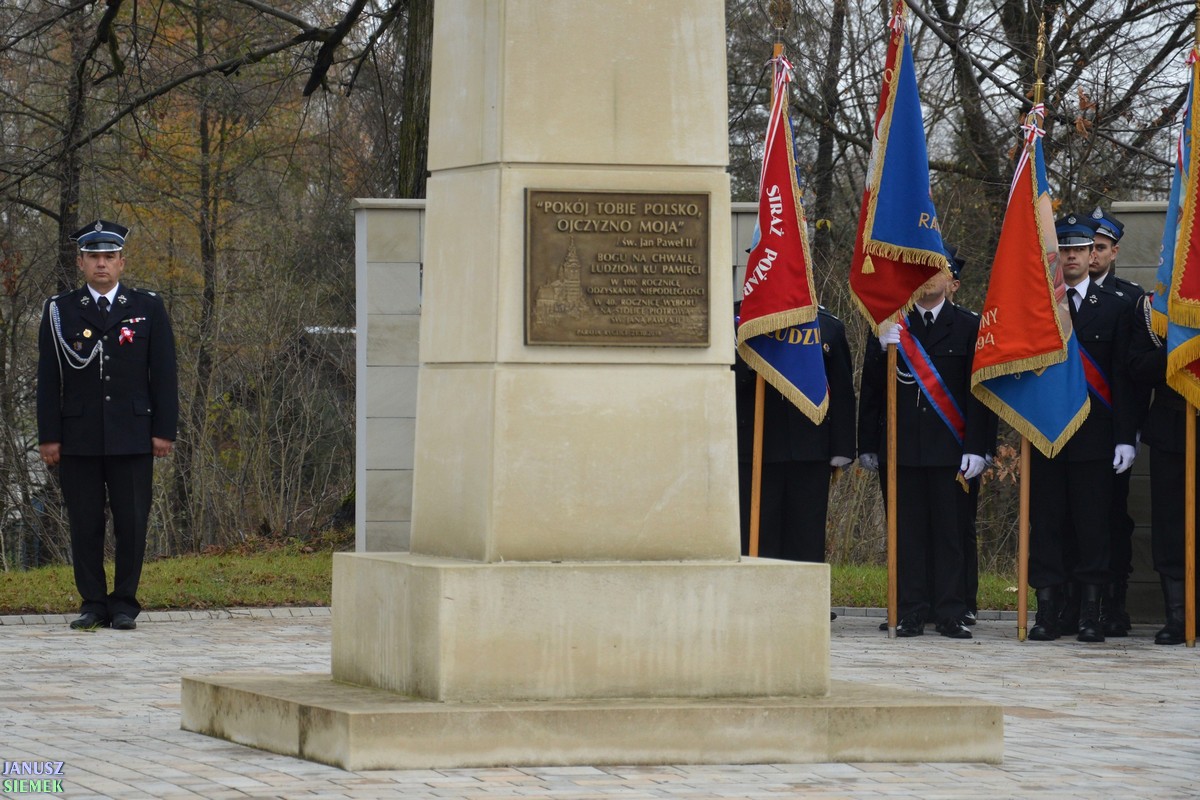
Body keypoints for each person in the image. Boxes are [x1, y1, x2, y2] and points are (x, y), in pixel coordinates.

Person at [37, 220, 179, 631]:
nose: (102, 264)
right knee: (85, 523)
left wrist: (164, 430)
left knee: (132, 522)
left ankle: (124, 604)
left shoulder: (147, 307)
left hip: (133, 434)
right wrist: (49, 435)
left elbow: (164, 373)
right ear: (80, 262)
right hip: (78, 435)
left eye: (109, 257)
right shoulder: (60, 311)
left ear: (122, 263)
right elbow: (48, 378)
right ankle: (93, 604)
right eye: (94, 257)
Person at [857, 267, 990, 639]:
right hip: (902, 449)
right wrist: (867, 444)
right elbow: (871, 391)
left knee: (951, 533)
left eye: (938, 270)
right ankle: (910, 610)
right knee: (907, 534)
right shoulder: (891, 325)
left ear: (952, 282)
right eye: (923, 269)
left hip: (951, 450)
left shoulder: (968, 326)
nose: (929, 277)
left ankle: (950, 612)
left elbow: (980, 393)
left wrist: (978, 446)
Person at [1026, 215, 1136, 643]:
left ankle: (1091, 612)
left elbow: (1122, 378)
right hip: (1047, 433)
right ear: (1056, 256)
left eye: (1080, 249)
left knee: (1093, 526)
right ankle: (1048, 611)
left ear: (1093, 255)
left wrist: (1125, 436)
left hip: (1096, 435)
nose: (1071, 256)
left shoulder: (1115, 306)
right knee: (1047, 525)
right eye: (1065, 249)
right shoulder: (1037, 304)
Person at [735, 305, 856, 566]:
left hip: (809, 449)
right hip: (755, 448)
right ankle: (759, 591)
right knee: (757, 536)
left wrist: (842, 447)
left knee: (806, 537)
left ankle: (805, 592)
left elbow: (842, 391)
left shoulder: (827, 326)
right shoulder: (740, 322)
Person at [1081, 206, 1146, 637]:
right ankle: (1074, 604)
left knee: (1113, 520)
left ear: (1113, 252)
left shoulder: (1130, 299)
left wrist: (1130, 431)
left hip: (1112, 432)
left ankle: (1113, 604)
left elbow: (1132, 374)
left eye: (1101, 248)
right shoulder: (1060, 296)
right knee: (1073, 520)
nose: (1094, 255)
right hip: (1073, 431)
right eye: (1091, 247)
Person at [1126, 292, 1195, 644]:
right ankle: (1178, 616)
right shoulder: (1152, 309)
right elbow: (1137, 368)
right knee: (1170, 525)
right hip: (1172, 428)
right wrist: (1181, 344)